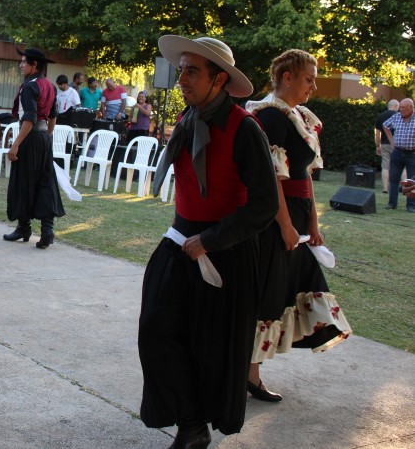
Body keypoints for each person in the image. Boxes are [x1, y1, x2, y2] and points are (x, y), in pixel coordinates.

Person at [142, 35, 278, 448]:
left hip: (227, 252)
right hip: (181, 239)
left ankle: (193, 428)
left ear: (220, 80)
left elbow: (265, 205)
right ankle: (189, 420)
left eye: (192, 71)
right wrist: (190, 234)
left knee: (210, 347)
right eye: (181, 69)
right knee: (157, 330)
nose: (182, 78)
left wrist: (212, 239)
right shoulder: (189, 118)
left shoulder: (245, 128)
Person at [245, 49, 352, 404]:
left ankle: (248, 372)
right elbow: (272, 178)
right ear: (287, 77)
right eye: (309, 78)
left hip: (296, 220)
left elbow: (304, 175)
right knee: (269, 296)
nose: (314, 85)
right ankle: (249, 374)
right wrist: (287, 225)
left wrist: (313, 223)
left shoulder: (299, 117)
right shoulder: (272, 116)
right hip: (277, 220)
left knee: (297, 288)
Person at [3, 47, 65, 249]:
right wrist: (46, 136)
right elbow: (53, 115)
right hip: (43, 139)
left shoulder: (30, 86)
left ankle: (24, 227)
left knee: (23, 181)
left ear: (34, 64)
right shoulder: (49, 85)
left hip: (29, 137)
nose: (21, 65)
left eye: (23, 62)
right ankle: (47, 229)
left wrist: (16, 144)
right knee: (44, 181)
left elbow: (28, 118)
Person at [383, 98, 415, 212]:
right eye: (400, 107)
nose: (401, 110)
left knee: (412, 181)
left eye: (403, 108)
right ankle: (392, 203)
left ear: (411, 108)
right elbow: (385, 125)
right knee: (394, 178)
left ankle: (411, 205)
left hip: (412, 154)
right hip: (397, 152)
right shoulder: (396, 117)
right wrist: (391, 141)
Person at [375, 99, 399, 193]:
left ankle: (385, 188)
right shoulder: (399, 116)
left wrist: (378, 145)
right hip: (398, 145)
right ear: (396, 106)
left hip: (385, 144)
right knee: (402, 167)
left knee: (385, 166)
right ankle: (405, 187)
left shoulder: (381, 116)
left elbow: (377, 133)